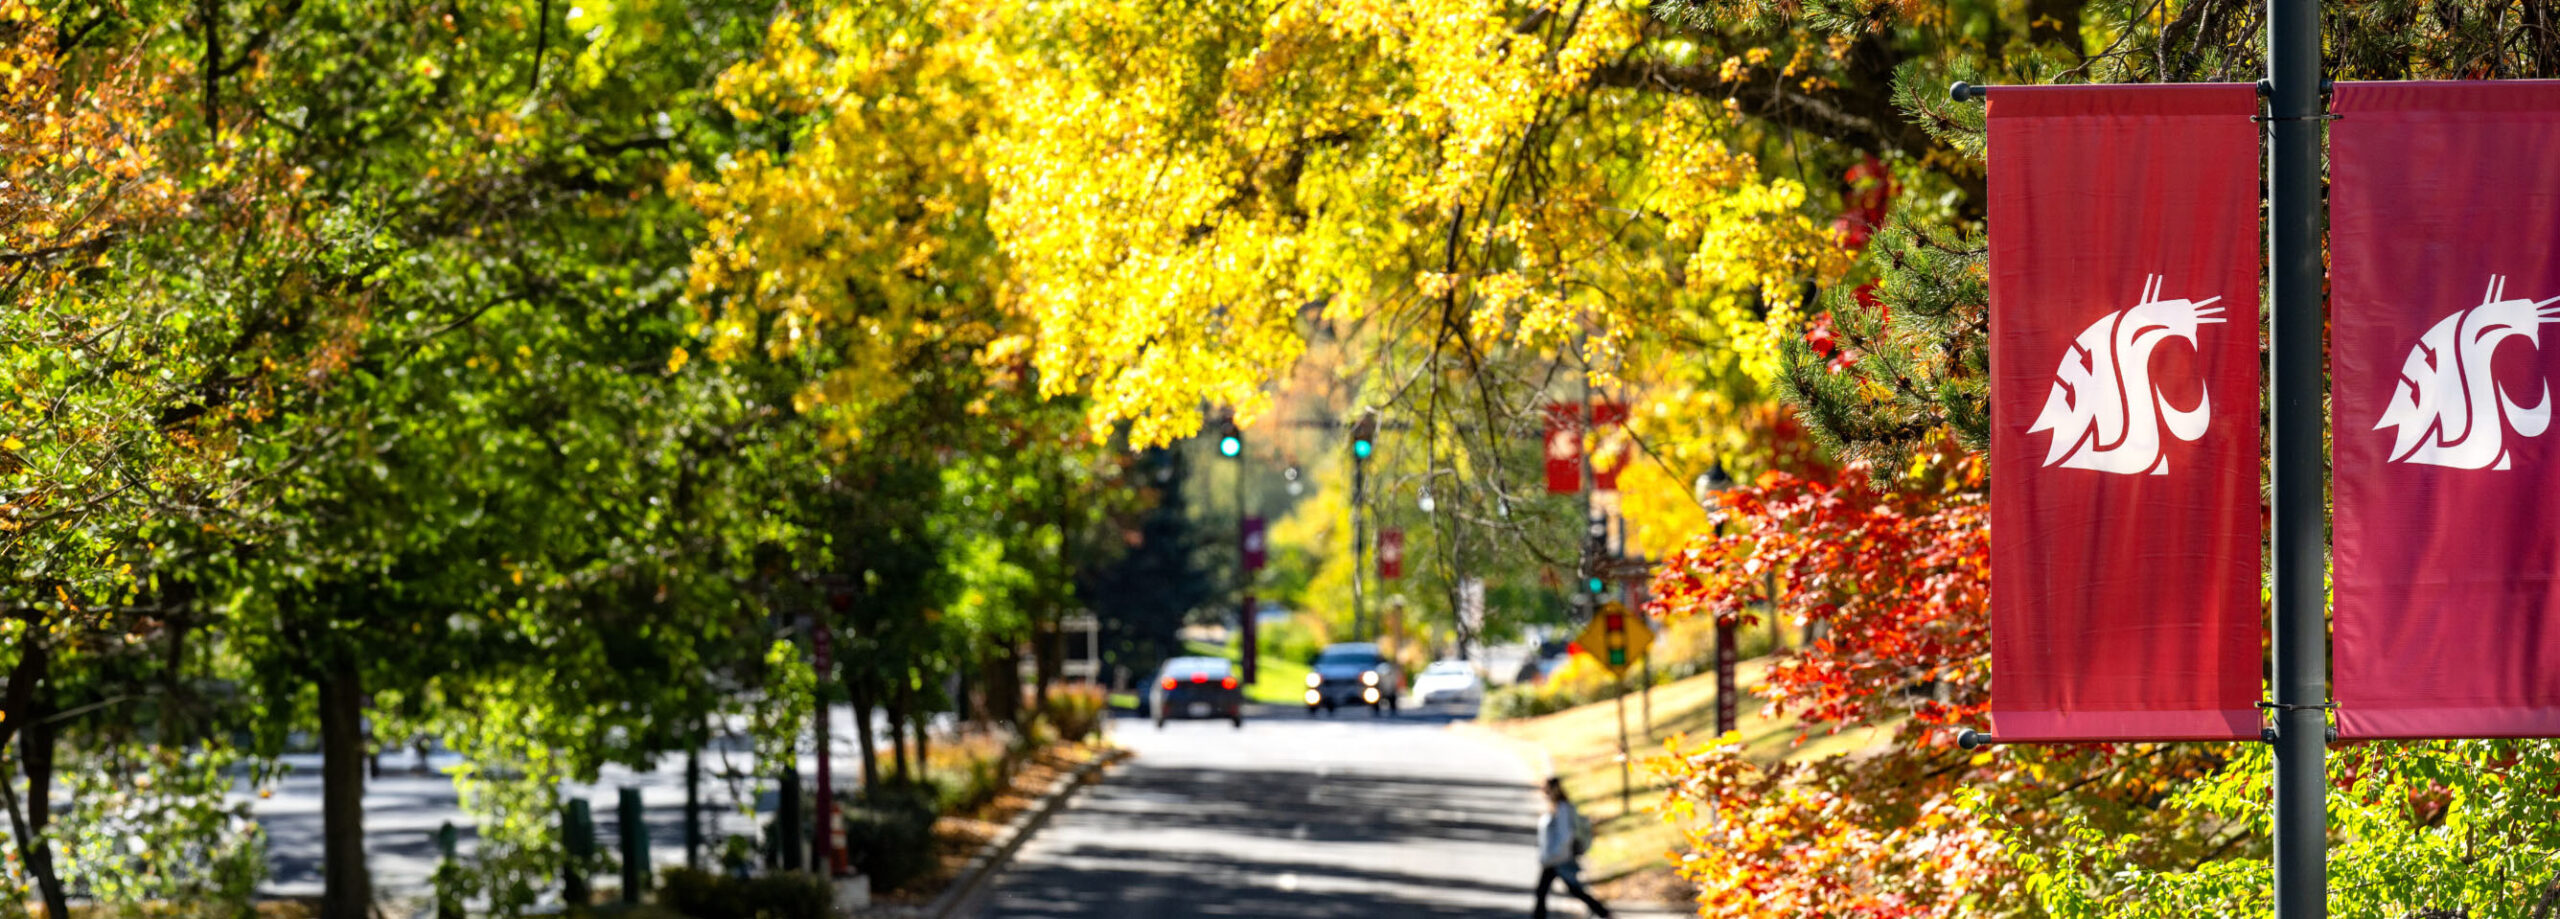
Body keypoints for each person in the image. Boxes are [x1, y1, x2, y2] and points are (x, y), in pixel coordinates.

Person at [1534, 776, 1612, 919]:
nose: (1542, 792)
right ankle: (1603, 912)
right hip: (1556, 858)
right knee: (1566, 890)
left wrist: (1555, 855)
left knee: (1548, 891)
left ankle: (1604, 912)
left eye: (1545, 789)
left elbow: (1566, 835)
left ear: (1551, 790)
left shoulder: (1562, 808)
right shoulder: (1556, 806)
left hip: (1558, 858)